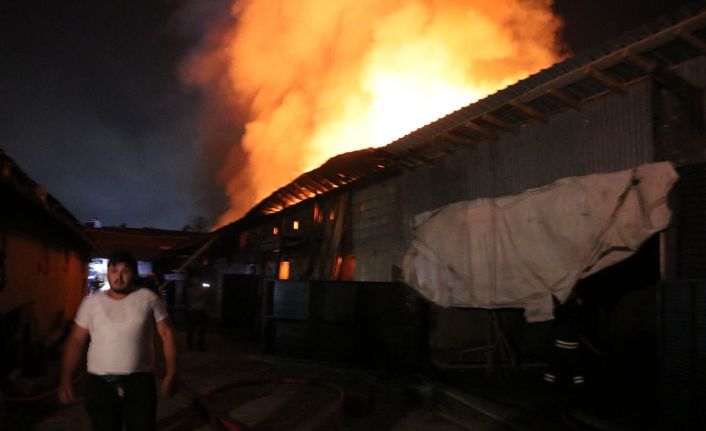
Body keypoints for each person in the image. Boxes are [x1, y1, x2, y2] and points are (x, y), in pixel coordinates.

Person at [58, 250, 177, 431]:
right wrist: (65, 378)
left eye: (125, 271)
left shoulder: (148, 298)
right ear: (108, 273)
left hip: (140, 384)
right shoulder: (92, 303)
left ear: (134, 274)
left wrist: (172, 372)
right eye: (114, 271)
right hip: (100, 386)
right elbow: (75, 341)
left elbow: (167, 334)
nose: (118, 277)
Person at [184, 269, 208, 352]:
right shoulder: (190, 289)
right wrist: (202, 292)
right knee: (191, 329)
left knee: (201, 330)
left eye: (197, 278)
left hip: (201, 310)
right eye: (194, 279)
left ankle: (200, 347)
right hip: (193, 311)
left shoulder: (201, 287)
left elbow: (204, 298)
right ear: (191, 280)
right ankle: (190, 347)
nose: (196, 280)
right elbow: (194, 299)